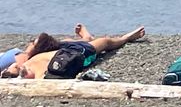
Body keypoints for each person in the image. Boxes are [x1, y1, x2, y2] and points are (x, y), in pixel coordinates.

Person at [1, 24, 146, 81]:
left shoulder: (28, 60)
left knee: (101, 41)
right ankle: (89, 38)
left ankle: (88, 38)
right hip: (71, 51)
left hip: (71, 51)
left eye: (32, 42)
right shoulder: (29, 61)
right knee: (102, 42)